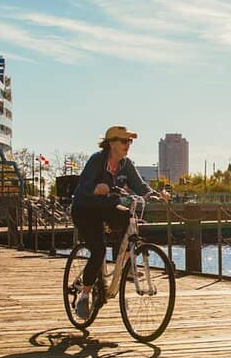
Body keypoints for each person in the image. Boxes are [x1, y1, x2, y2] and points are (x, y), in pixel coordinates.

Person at [70, 126, 170, 319]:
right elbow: (84, 184)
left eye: (130, 141)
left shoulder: (126, 164)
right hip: (86, 209)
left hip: (107, 206)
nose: (128, 145)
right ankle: (85, 294)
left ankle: (124, 266)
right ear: (111, 143)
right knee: (98, 250)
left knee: (129, 219)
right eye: (124, 141)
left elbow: (140, 186)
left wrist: (156, 195)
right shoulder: (97, 160)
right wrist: (96, 187)